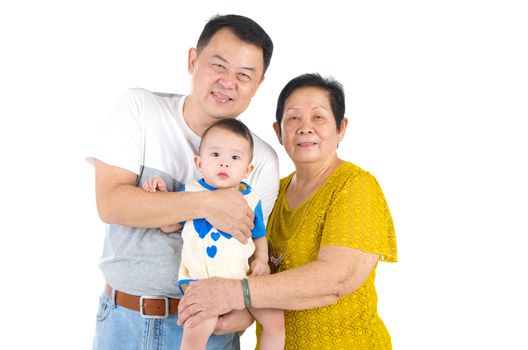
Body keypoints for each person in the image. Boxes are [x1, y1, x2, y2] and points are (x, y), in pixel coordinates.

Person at [88, 14, 278, 350]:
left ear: (258, 84)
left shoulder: (259, 160)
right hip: (124, 321)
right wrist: (209, 203)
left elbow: (252, 254)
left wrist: (245, 316)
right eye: (218, 65)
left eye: (244, 75)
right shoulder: (141, 109)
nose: (228, 82)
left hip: (210, 331)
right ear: (193, 60)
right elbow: (111, 204)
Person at [177, 73, 398, 349]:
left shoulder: (355, 186)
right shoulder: (270, 193)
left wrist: (236, 294)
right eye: (293, 118)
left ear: (341, 128)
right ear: (278, 132)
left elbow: (337, 278)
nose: (305, 128)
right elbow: (247, 266)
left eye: (318, 117)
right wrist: (241, 314)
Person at [142, 118, 284, 350]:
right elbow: (169, 226)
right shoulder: (190, 193)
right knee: (197, 329)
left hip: (242, 281)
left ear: (248, 169)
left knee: (275, 320)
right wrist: (160, 194)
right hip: (200, 281)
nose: (224, 164)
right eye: (216, 155)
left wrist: (261, 260)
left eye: (235, 158)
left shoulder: (251, 198)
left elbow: (258, 234)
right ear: (199, 162)